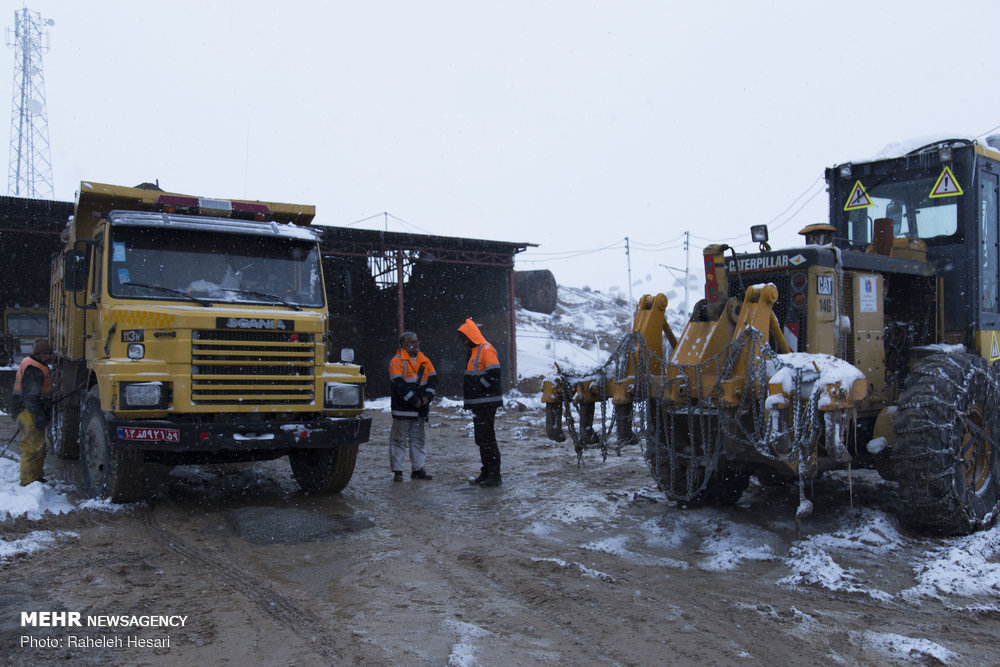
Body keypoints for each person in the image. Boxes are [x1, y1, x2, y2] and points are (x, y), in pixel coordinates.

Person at [458, 318, 503, 487]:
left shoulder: (486, 349)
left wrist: (480, 389)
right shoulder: (475, 351)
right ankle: (487, 472)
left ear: (470, 336)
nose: (462, 342)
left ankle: (494, 475)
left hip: (486, 402)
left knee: (487, 439)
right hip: (479, 403)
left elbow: (494, 373)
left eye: (464, 338)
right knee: (482, 438)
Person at [388, 331, 437, 482]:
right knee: (398, 440)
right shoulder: (396, 361)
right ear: (403, 345)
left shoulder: (425, 360)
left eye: (417, 341)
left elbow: (433, 380)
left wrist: (427, 397)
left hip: (419, 410)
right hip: (403, 409)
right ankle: (398, 471)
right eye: (412, 342)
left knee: (418, 440)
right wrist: (415, 400)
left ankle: (417, 470)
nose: (416, 344)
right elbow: (399, 385)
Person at [9, 338, 53, 486]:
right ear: (38, 354)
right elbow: (30, 396)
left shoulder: (36, 364)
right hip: (28, 410)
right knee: (32, 446)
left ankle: (36, 475)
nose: (47, 356)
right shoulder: (34, 369)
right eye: (44, 353)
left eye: (49, 353)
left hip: (29, 408)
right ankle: (27, 480)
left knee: (39, 445)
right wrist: (39, 414)